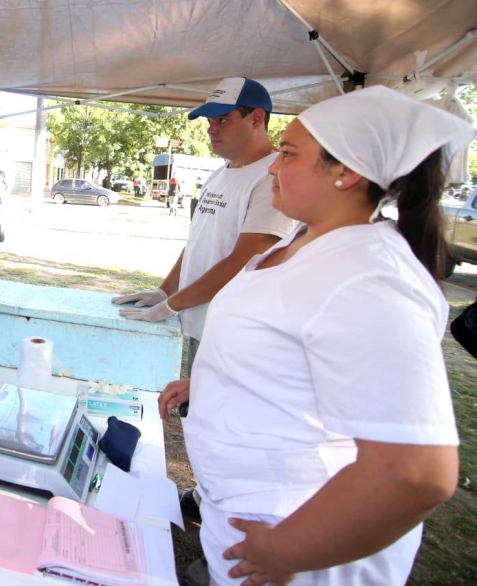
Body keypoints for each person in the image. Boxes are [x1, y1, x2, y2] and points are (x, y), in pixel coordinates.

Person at [158, 86, 471, 586]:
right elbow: (295, 354)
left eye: (288, 153)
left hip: (302, 545)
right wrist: (216, 383)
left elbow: (416, 472)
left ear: (346, 171)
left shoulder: (369, 276)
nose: (274, 167)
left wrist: (287, 550)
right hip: (250, 519)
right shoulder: (307, 242)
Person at [113, 77, 296, 376]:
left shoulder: (270, 178)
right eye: (211, 121)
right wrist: (165, 291)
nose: (212, 129)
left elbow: (246, 259)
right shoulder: (218, 175)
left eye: (223, 119)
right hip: (201, 324)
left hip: (237, 335)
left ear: (257, 118)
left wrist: (173, 304)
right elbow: (198, 239)